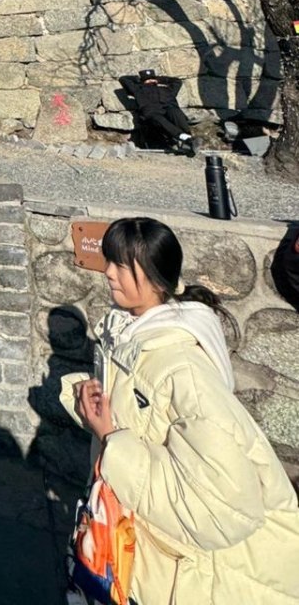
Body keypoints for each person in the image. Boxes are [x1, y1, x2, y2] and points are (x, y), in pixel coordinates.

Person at [60, 216, 299, 604]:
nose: (108, 273)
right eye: (109, 260)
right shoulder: (130, 330)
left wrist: (111, 438)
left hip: (167, 573)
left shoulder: (183, 368)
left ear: (156, 276)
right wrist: (92, 404)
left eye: (121, 265)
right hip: (126, 549)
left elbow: (226, 508)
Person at [119, 68, 196, 155]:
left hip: (168, 110)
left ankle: (189, 139)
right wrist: (138, 79)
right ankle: (184, 137)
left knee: (174, 112)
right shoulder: (138, 90)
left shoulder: (166, 90)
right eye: (147, 80)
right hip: (153, 114)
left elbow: (177, 81)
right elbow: (123, 79)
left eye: (152, 79)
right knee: (159, 119)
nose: (150, 81)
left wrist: (160, 79)